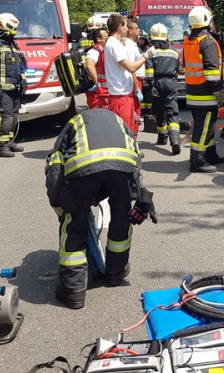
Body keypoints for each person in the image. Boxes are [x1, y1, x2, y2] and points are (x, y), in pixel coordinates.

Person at [45, 108, 156, 309]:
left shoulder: (72, 124)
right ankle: (116, 272)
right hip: (123, 167)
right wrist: (132, 195)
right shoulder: (119, 121)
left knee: (74, 224)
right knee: (121, 219)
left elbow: (55, 171)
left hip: (83, 169)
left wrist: (63, 209)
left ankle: (73, 291)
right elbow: (136, 161)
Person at [183, 6, 224, 173]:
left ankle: (210, 154)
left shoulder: (188, 40)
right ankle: (198, 161)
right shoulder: (207, 41)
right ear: (207, 21)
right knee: (203, 128)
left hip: (193, 93)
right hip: (206, 94)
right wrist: (218, 93)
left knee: (208, 126)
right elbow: (211, 72)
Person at [0, 12, 27, 157]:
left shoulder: (12, 43)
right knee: (6, 117)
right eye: (14, 27)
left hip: (14, 87)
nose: (16, 30)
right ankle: (0, 146)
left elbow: (21, 66)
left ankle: (9, 142)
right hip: (3, 89)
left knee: (14, 116)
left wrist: (24, 81)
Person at [103, 14, 155, 133]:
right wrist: (146, 55)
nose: (127, 29)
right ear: (120, 26)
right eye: (126, 26)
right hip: (119, 97)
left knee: (130, 129)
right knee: (123, 132)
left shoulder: (117, 43)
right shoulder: (114, 45)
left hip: (125, 95)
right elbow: (131, 67)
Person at [148, 23, 181, 155]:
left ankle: (162, 138)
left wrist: (151, 85)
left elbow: (149, 72)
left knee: (160, 110)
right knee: (172, 111)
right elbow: (177, 71)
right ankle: (175, 140)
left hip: (157, 82)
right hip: (171, 82)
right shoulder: (174, 52)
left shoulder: (151, 52)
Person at [125, 20, 146, 135]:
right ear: (130, 31)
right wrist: (136, 88)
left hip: (137, 81)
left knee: (136, 113)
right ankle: (133, 138)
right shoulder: (128, 45)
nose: (139, 30)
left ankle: (134, 137)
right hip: (135, 81)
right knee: (134, 113)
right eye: (136, 28)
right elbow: (131, 68)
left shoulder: (133, 45)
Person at [84, 27, 109, 109]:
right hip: (95, 91)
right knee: (97, 112)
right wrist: (98, 84)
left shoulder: (103, 50)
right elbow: (89, 66)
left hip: (101, 90)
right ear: (98, 39)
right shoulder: (94, 51)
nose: (108, 37)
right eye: (106, 36)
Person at [137, 30, 154, 119]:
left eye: (142, 39)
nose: (141, 41)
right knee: (142, 97)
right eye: (139, 39)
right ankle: (142, 112)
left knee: (149, 97)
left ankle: (150, 113)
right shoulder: (136, 49)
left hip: (147, 78)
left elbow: (150, 66)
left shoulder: (149, 51)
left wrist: (150, 80)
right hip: (139, 77)